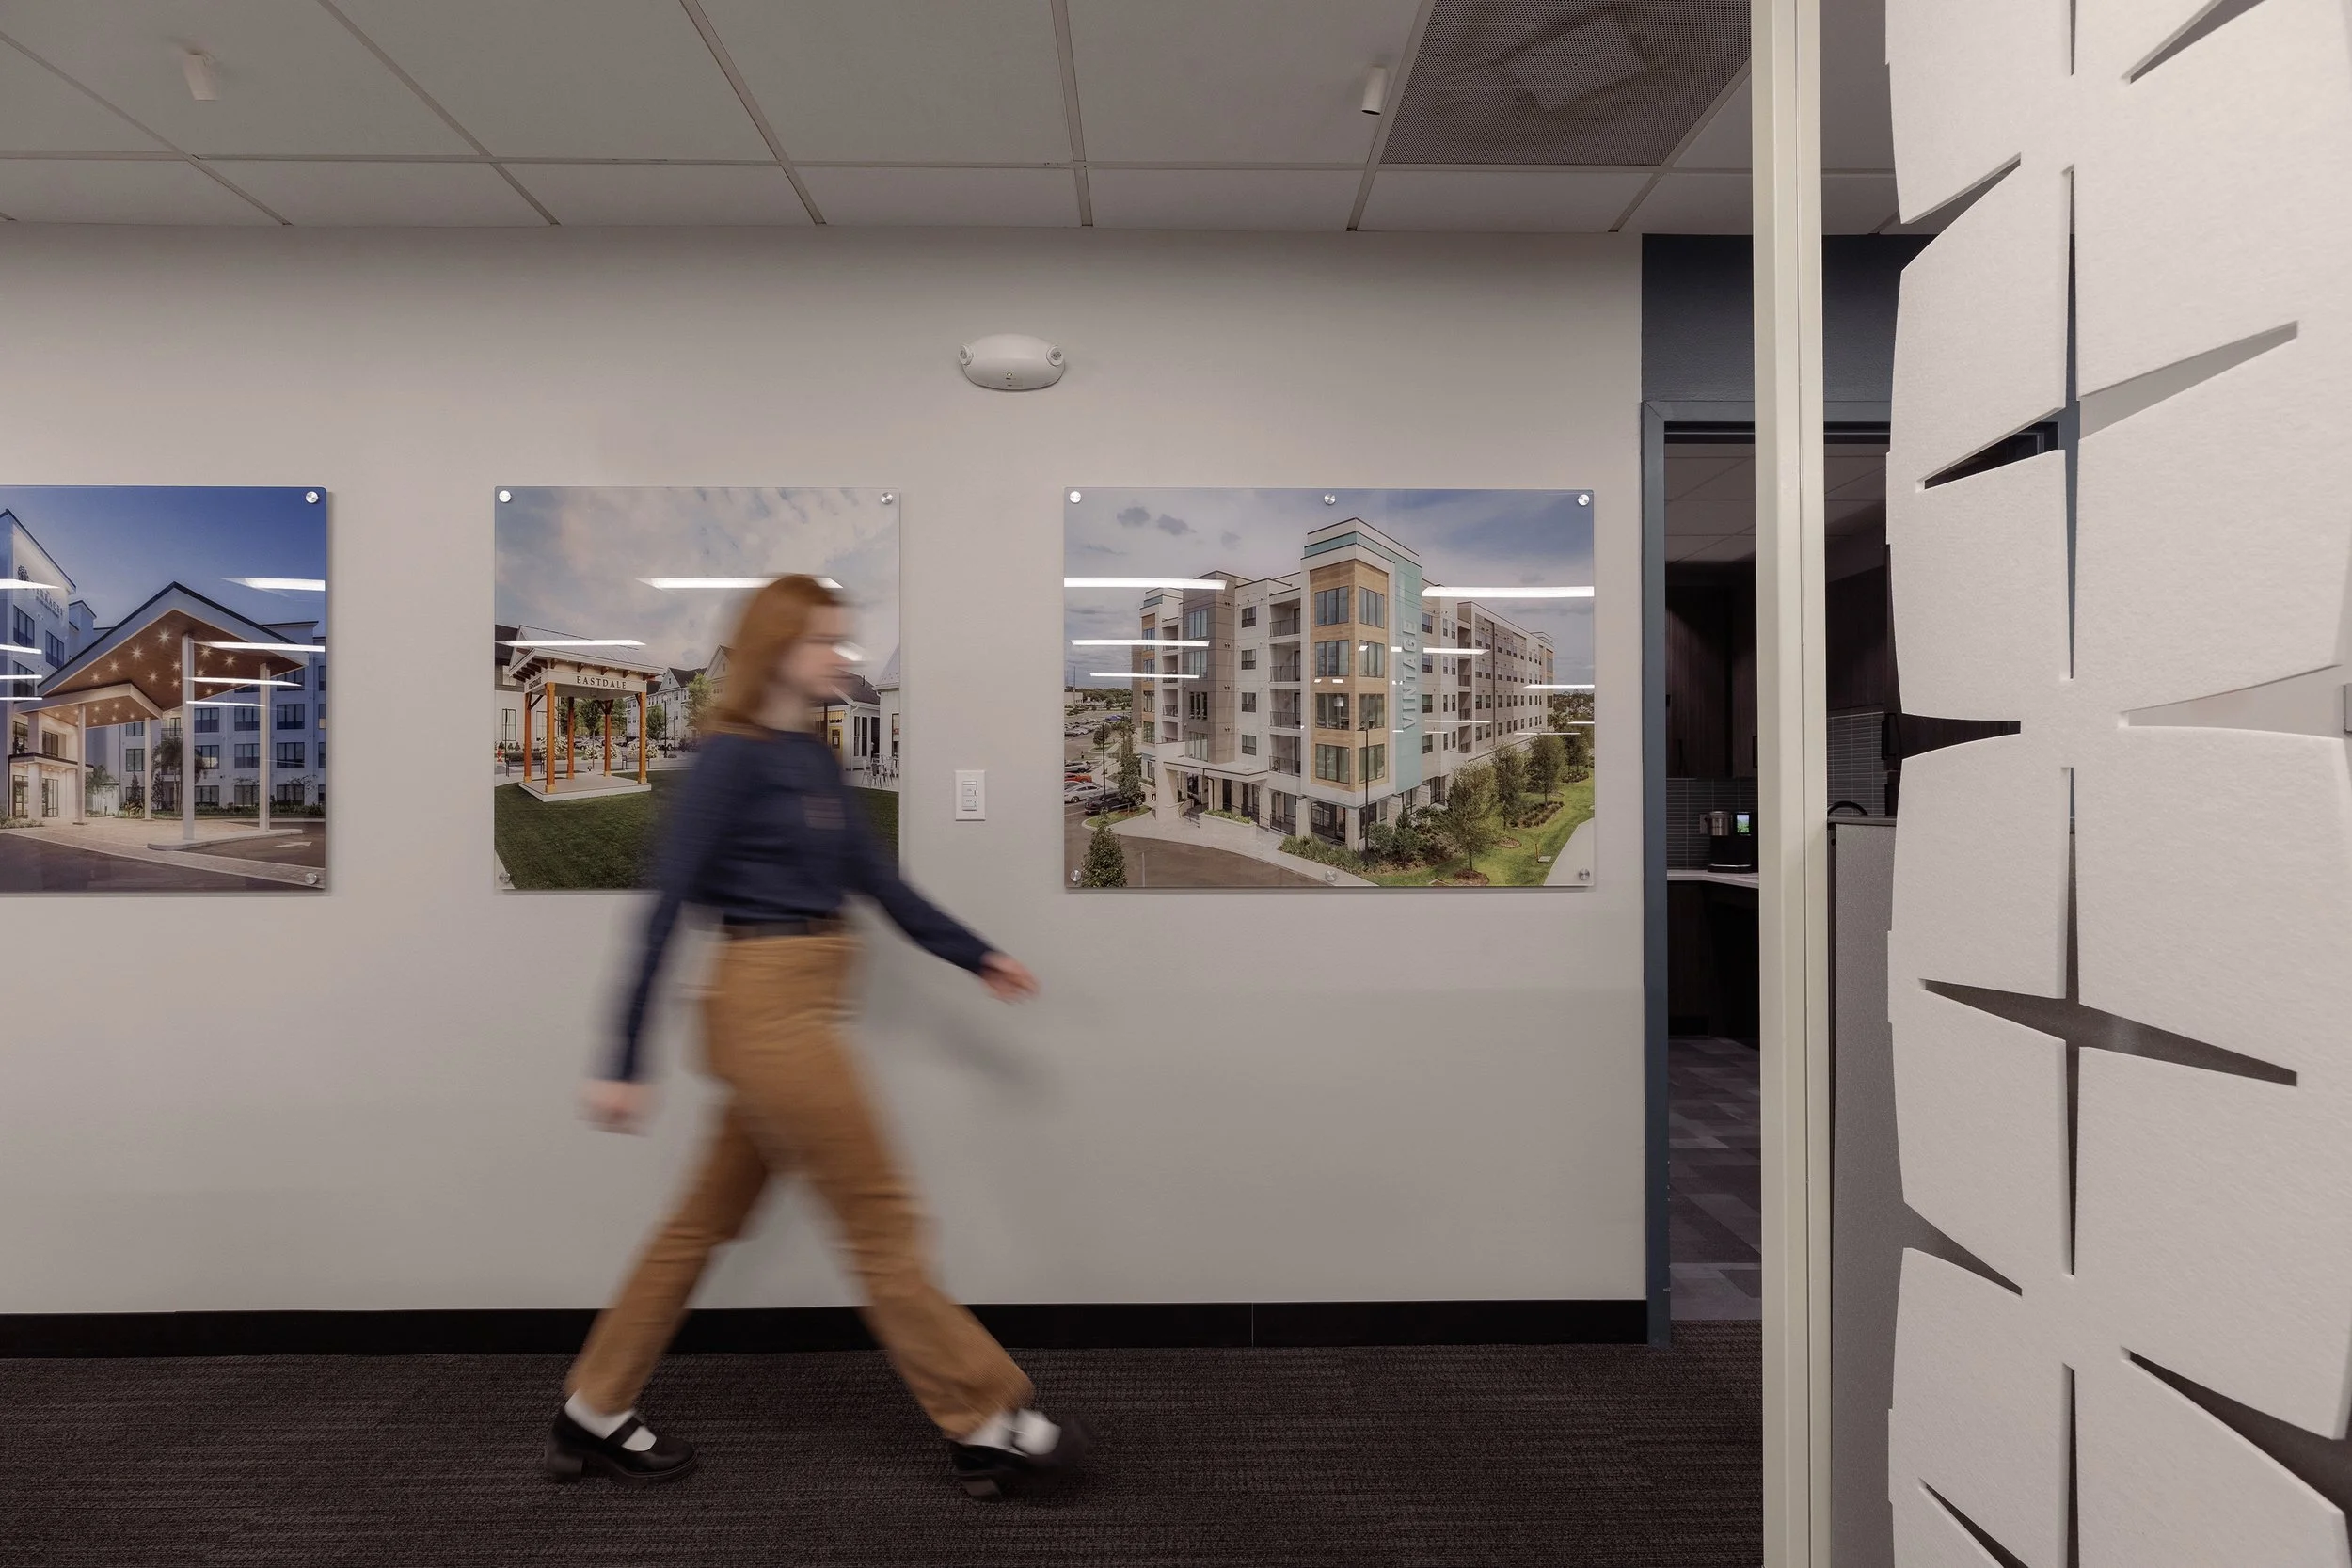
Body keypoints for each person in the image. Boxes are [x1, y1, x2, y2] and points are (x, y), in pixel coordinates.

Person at [548, 575, 1084, 1498]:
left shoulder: (814, 758)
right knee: (880, 1211)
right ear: (776, 650)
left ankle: (592, 1407)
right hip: (765, 1008)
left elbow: (879, 880)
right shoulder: (729, 759)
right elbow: (664, 904)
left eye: (845, 639)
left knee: (701, 1221)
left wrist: (976, 953)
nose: (845, 656)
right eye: (826, 641)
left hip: (805, 1001)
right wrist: (622, 1058)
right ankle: (984, 1415)